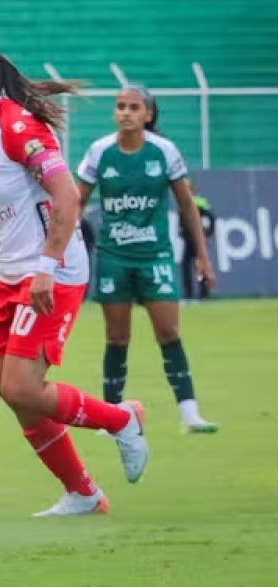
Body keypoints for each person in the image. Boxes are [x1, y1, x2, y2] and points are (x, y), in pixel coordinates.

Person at [0, 44, 148, 517]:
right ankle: (83, 493)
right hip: (10, 273)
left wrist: (47, 265)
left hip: (52, 271)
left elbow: (66, 195)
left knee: (23, 387)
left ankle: (122, 419)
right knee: (13, 394)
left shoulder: (19, 127)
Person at [76, 85, 219, 434]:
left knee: (169, 331)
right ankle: (111, 416)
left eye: (133, 107)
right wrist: (63, 247)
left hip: (155, 255)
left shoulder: (164, 152)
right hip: (113, 257)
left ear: (148, 115)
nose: (125, 112)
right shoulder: (99, 152)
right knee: (117, 338)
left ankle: (189, 414)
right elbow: (75, 202)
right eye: (120, 106)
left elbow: (187, 205)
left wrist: (202, 255)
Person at [181, 184, 215, 301]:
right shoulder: (183, 202)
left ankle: (203, 293)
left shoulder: (198, 202)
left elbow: (210, 218)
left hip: (197, 239)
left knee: (199, 264)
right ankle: (190, 293)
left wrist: (208, 232)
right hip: (189, 240)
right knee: (186, 266)